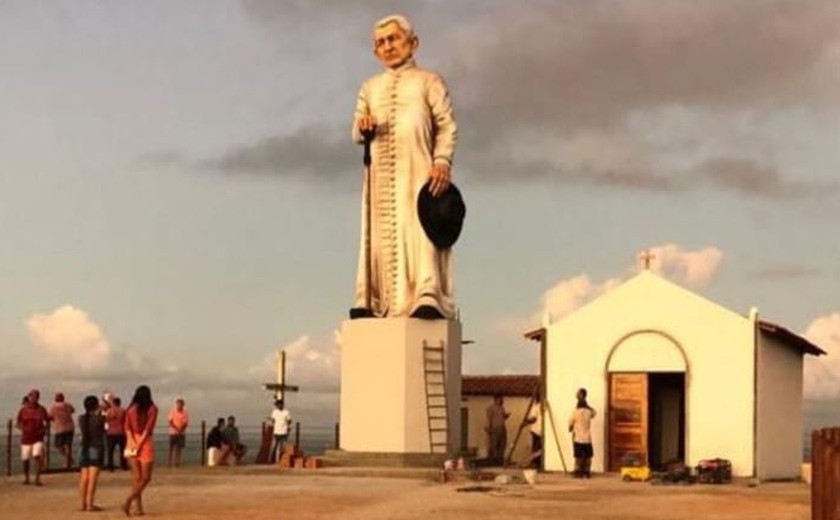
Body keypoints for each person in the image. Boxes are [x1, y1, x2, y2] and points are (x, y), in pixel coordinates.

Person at [349, 14, 458, 321]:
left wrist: (442, 161)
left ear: (413, 42)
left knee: (419, 231)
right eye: (381, 43)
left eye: (393, 39)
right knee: (376, 238)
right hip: (379, 176)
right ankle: (372, 298)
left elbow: (446, 125)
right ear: (375, 52)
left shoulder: (429, 81)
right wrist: (364, 126)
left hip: (418, 171)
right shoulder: (370, 88)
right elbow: (356, 132)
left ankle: (426, 293)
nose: (388, 46)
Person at [123, 385, 158, 517]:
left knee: (136, 478)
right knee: (146, 477)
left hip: (131, 441)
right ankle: (129, 500)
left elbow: (127, 427)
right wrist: (140, 444)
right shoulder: (152, 409)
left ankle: (138, 507)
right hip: (145, 442)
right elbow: (148, 429)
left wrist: (132, 441)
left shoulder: (131, 409)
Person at [78, 395, 106, 511]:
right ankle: (90, 504)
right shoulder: (100, 419)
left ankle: (82, 504)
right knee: (93, 478)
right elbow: (108, 415)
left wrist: (99, 409)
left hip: (83, 448)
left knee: (84, 477)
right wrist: (104, 406)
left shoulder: (81, 418)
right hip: (96, 447)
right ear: (96, 405)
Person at [16, 389, 49, 486]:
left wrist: (44, 430)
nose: (34, 398)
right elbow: (18, 422)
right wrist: (23, 428)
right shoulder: (23, 410)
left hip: (38, 437)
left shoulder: (42, 409)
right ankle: (26, 478)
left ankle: (37, 479)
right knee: (25, 458)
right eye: (32, 396)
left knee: (37, 455)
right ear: (29, 397)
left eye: (36, 396)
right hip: (26, 437)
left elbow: (46, 421)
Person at [569, 388, 597, 479]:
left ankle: (578, 472)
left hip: (578, 438)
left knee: (578, 456)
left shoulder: (575, 412)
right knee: (588, 456)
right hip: (587, 438)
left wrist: (571, 428)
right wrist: (588, 406)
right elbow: (594, 413)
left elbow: (570, 424)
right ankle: (586, 472)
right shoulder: (588, 412)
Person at [48, 392, 76, 470]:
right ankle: (68, 461)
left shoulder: (53, 407)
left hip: (59, 428)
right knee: (68, 446)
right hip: (70, 427)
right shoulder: (68, 405)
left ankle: (68, 461)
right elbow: (73, 410)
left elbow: (49, 416)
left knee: (58, 446)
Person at [485, 394, 510, 466]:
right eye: (500, 399)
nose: (502, 400)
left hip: (502, 428)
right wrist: (488, 428)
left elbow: (503, 417)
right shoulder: (491, 408)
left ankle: (500, 460)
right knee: (494, 445)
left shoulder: (502, 408)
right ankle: (493, 461)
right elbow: (488, 418)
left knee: (502, 445)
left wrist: (506, 416)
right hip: (495, 428)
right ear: (496, 399)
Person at [105, 396, 128, 471]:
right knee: (123, 450)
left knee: (110, 451)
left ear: (113, 403)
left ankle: (110, 466)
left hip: (111, 432)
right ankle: (123, 465)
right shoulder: (123, 411)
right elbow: (126, 421)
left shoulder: (109, 411)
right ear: (119, 403)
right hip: (121, 432)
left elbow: (106, 420)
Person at [167, 398, 189, 467]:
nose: (179, 406)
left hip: (181, 433)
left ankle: (177, 462)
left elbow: (186, 423)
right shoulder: (172, 411)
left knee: (179, 448)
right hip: (173, 432)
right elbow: (170, 421)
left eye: (181, 404)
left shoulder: (185, 413)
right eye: (178, 404)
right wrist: (177, 428)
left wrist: (181, 429)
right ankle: (169, 462)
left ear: (183, 405)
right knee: (171, 447)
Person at [524, 394, 543, 469]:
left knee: (535, 448)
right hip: (541, 430)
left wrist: (526, 422)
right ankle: (538, 463)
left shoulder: (536, 406)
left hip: (536, 430)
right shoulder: (542, 406)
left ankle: (535, 463)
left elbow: (533, 419)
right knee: (539, 448)